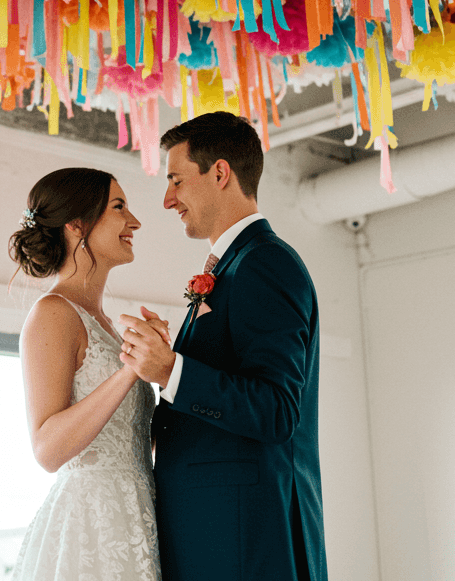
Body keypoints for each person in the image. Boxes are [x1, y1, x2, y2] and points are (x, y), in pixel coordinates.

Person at [118, 112, 328, 581]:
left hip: (246, 538)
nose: (168, 199)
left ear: (219, 172)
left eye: (175, 180)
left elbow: (276, 410)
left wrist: (172, 371)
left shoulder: (264, 264)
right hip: (216, 532)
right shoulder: (235, 266)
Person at [9, 166, 165, 581]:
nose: (134, 222)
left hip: (139, 515)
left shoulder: (109, 326)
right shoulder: (53, 313)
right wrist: (130, 371)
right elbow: (48, 449)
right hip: (92, 525)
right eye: (119, 207)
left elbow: (130, 438)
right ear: (77, 225)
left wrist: (165, 366)